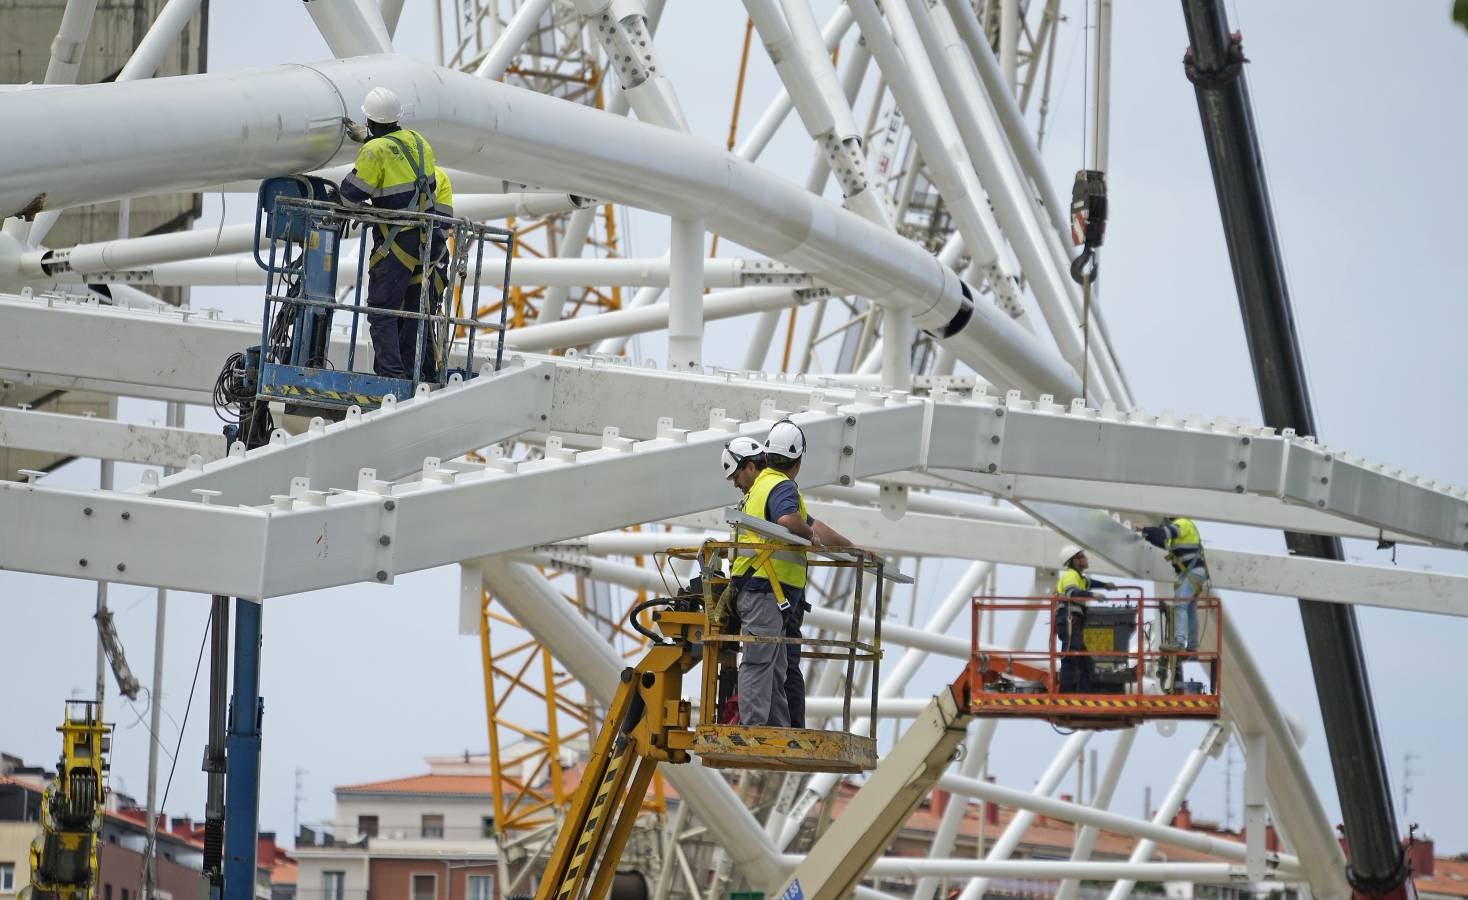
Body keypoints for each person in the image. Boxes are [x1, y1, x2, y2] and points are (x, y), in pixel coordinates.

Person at [734, 419, 856, 729]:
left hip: (770, 590)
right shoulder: (781, 486)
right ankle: (755, 730)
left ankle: (776, 728)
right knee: (762, 662)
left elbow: (810, 524)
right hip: (766, 588)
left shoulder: (763, 486)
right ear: (798, 462)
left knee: (775, 664)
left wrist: (851, 548)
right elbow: (792, 521)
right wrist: (808, 537)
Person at [340, 86, 439, 382]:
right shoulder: (419, 141)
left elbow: (350, 196)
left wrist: (366, 145)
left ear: (367, 120)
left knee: (382, 311)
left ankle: (391, 376)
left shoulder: (374, 151)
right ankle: (415, 373)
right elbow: (420, 179)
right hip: (426, 240)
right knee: (413, 312)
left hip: (396, 242)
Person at [1139, 516, 1211, 653]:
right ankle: (1192, 644)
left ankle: (1179, 642)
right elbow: (1162, 541)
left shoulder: (1182, 523)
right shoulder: (1180, 534)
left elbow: (1164, 533)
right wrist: (1147, 535)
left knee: (1180, 605)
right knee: (1189, 609)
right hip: (1194, 573)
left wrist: (1144, 528)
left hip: (1191, 572)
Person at [1053, 544, 1116, 693]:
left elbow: (1088, 583)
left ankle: (1083, 694)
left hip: (1073, 621)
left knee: (1083, 660)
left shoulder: (1078, 577)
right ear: (1074, 561)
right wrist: (1092, 595)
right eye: (1082, 556)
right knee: (1071, 657)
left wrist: (1105, 585)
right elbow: (1072, 592)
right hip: (1068, 619)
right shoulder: (1070, 575)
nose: (1086, 558)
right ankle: (1065, 696)